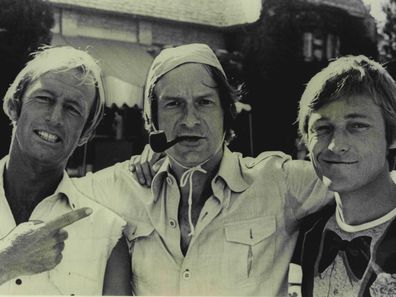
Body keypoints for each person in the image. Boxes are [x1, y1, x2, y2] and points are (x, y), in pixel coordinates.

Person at [74, 43, 332, 296]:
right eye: (173, 104)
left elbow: (361, 178)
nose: (189, 120)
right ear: (153, 120)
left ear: (227, 112)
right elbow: (49, 194)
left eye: (204, 102)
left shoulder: (278, 181)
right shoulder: (123, 185)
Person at [0, 46, 131, 295]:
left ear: (86, 133)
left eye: (72, 108)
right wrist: (7, 260)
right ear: (15, 105)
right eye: (44, 98)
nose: (55, 117)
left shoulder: (108, 236)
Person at [297, 55, 396, 296]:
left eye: (357, 126)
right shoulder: (301, 233)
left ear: (392, 137)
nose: (335, 146)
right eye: (322, 128)